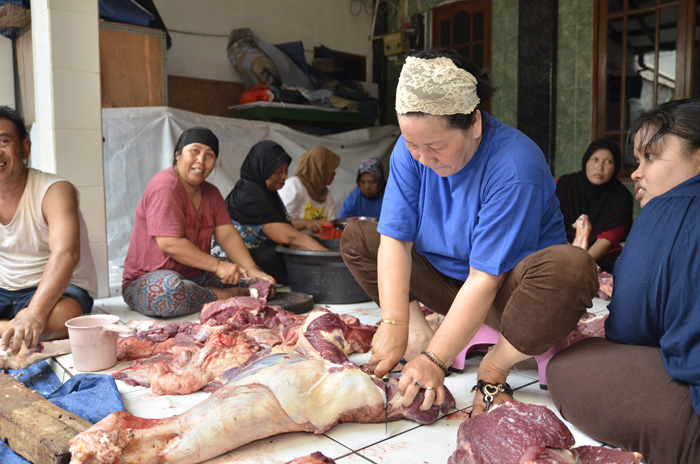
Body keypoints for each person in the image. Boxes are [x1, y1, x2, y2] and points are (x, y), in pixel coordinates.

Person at [340, 49, 598, 416]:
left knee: (572, 267)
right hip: (451, 283)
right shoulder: (409, 152)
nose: (422, 159)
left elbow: (485, 277)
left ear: (474, 124)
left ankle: (494, 368)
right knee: (360, 237)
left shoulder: (513, 164)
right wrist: (396, 322)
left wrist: (436, 360)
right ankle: (420, 333)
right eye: (412, 144)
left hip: (512, 297)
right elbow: (396, 240)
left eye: (435, 147)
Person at [547, 99, 700, 463]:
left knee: (567, 366)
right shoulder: (566, 186)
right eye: (635, 160)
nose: (636, 172)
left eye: (650, 157)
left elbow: (626, 332)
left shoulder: (665, 208)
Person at [122, 127, 274, 318]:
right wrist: (219, 267)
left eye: (209, 155)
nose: (201, 161)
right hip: (149, 280)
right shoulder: (165, 186)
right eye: (195, 151)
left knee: (259, 283)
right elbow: (170, 243)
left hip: (196, 274)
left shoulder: (211, 192)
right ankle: (223, 296)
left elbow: (227, 235)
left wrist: (251, 270)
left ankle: (206, 292)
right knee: (168, 293)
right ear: (178, 154)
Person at [0, 106, 97, 354]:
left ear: (24, 148)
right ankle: (13, 327)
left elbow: (66, 253)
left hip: (61, 290)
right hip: (5, 290)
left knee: (66, 318)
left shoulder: (55, 191)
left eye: (4, 140)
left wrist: (34, 314)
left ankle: (17, 325)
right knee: (30, 325)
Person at [224, 140, 329, 284]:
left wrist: (305, 224)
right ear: (262, 170)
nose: (284, 177)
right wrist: (333, 258)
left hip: (255, 257)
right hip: (238, 265)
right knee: (276, 254)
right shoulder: (251, 197)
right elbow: (289, 237)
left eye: (285, 170)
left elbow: (280, 226)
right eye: (277, 172)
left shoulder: (265, 192)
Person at [555, 139, 633, 273]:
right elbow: (552, 225)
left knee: (623, 262)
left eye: (608, 162)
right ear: (586, 161)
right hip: (561, 246)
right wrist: (569, 256)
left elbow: (607, 240)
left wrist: (579, 266)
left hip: (598, 255)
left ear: (616, 167)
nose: (600, 167)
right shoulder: (564, 184)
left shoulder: (622, 196)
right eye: (595, 159)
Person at [278, 146, 340, 221]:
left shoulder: (326, 194)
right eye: (331, 170)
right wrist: (305, 224)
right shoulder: (293, 186)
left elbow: (331, 223)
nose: (334, 174)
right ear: (319, 169)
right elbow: (279, 221)